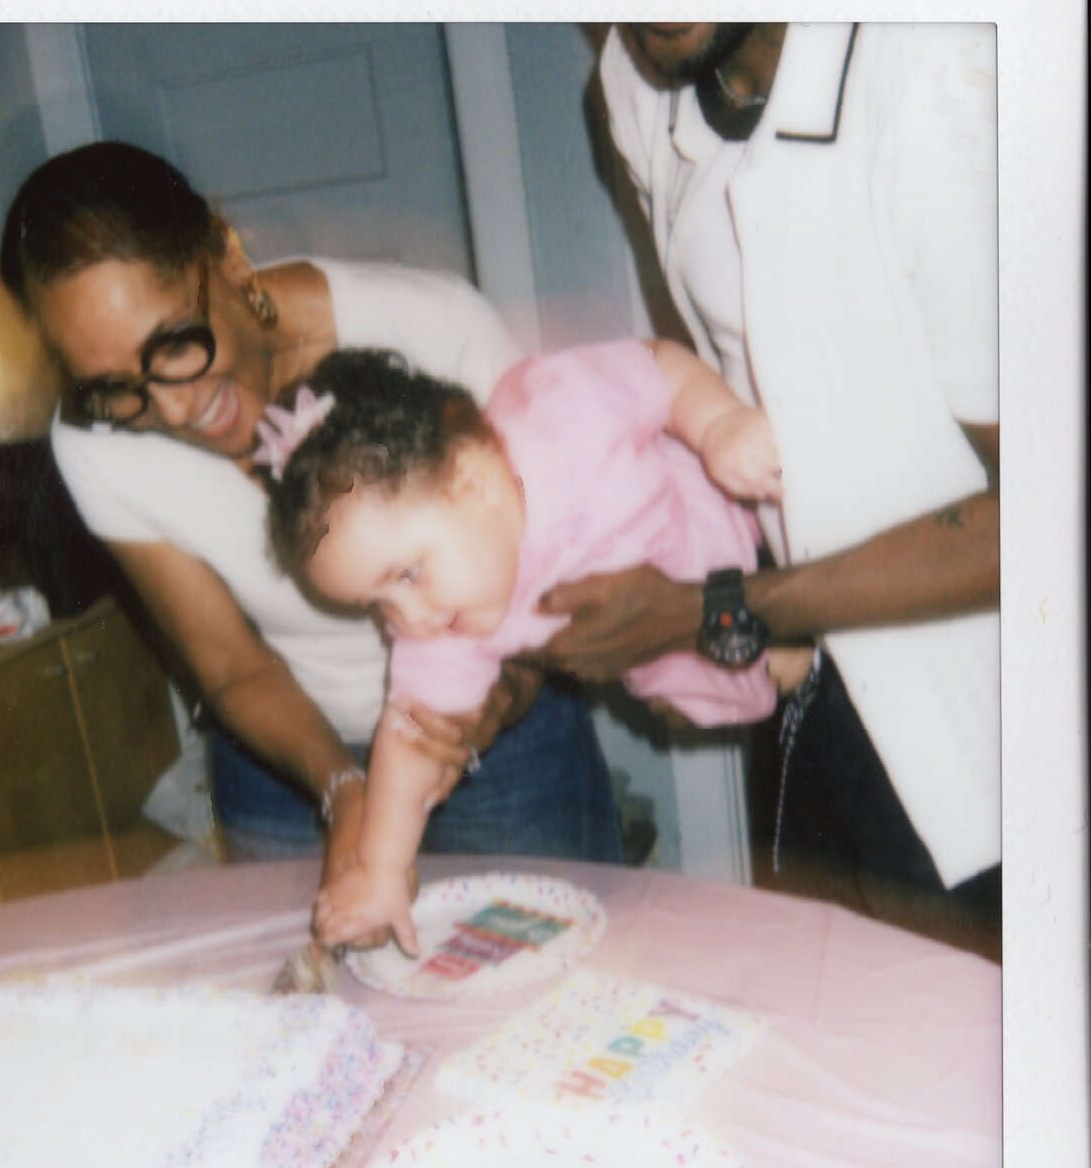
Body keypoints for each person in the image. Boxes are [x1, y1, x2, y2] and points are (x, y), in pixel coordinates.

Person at [0, 141, 623, 921]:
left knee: (552, 992)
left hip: (499, 736)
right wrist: (342, 787)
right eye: (115, 387)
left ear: (225, 255)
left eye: (175, 343)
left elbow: (555, 559)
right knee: (316, 1023)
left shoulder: (429, 325)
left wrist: (495, 700)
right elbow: (229, 666)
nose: (176, 411)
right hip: (286, 765)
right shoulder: (95, 442)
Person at [530, 24, 1001, 948]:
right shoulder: (636, 77)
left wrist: (715, 609)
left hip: (982, 709)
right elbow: (717, 388)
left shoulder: (933, 78)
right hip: (808, 676)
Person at [259, 339, 787, 952]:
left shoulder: (560, 426)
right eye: (377, 604)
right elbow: (409, 739)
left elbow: (659, 368)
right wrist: (379, 872)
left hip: (744, 517)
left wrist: (719, 423)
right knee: (758, 703)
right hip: (696, 650)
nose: (408, 618)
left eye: (406, 574)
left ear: (476, 483)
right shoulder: (444, 615)